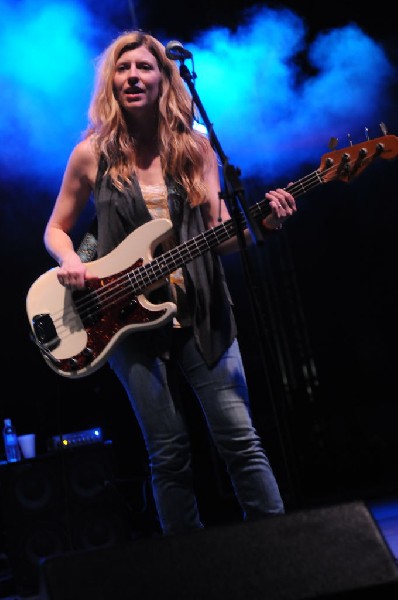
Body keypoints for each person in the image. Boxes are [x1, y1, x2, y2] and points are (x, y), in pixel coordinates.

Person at [43, 30, 297, 536]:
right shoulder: (92, 153)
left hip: (203, 310)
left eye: (144, 67)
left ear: (166, 78)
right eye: (122, 68)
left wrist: (264, 222)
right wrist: (72, 260)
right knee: (169, 452)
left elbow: (219, 235)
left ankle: (280, 551)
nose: (133, 76)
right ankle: (189, 571)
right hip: (126, 321)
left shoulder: (197, 150)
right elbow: (56, 228)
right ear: (110, 82)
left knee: (240, 440)